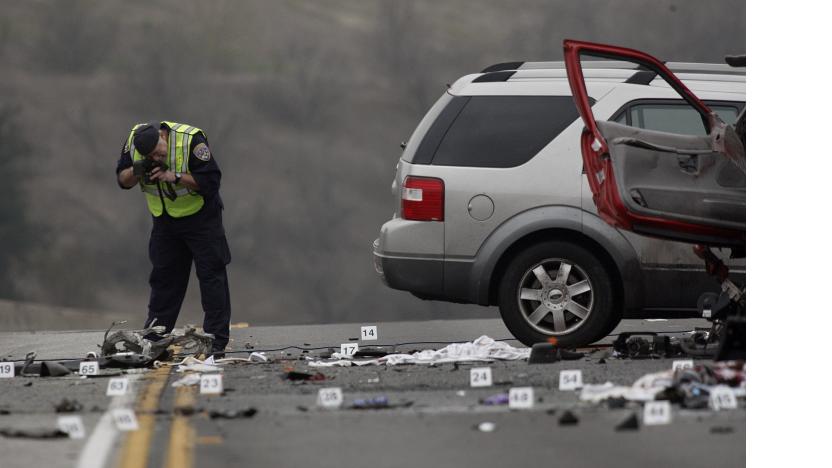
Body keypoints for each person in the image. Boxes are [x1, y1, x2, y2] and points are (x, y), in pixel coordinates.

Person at [116, 121, 231, 357]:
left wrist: (174, 176)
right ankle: (155, 337)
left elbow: (211, 181)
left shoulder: (191, 140)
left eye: (160, 151)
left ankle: (215, 340)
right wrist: (139, 169)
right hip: (165, 221)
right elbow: (122, 180)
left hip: (202, 219)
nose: (159, 157)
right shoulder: (134, 142)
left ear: (163, 136)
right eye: (152, 156)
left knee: (211, 277)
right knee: (164, 280)